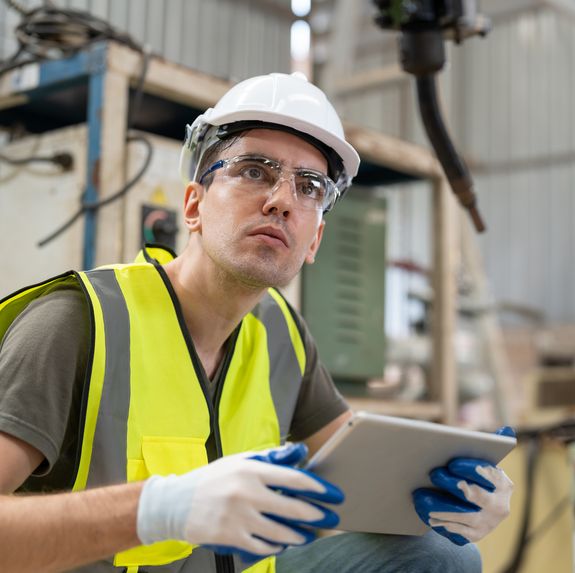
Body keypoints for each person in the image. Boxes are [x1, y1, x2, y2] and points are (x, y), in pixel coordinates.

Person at [0, 72, 512, 572]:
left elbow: (362, 475)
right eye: (254, 171)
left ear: (314, 241)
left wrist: (454, 494)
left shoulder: (281, 333)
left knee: (442, 554)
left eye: (309, 186)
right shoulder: (77, 323)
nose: (282, 201)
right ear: (194, 205)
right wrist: (157, 511)